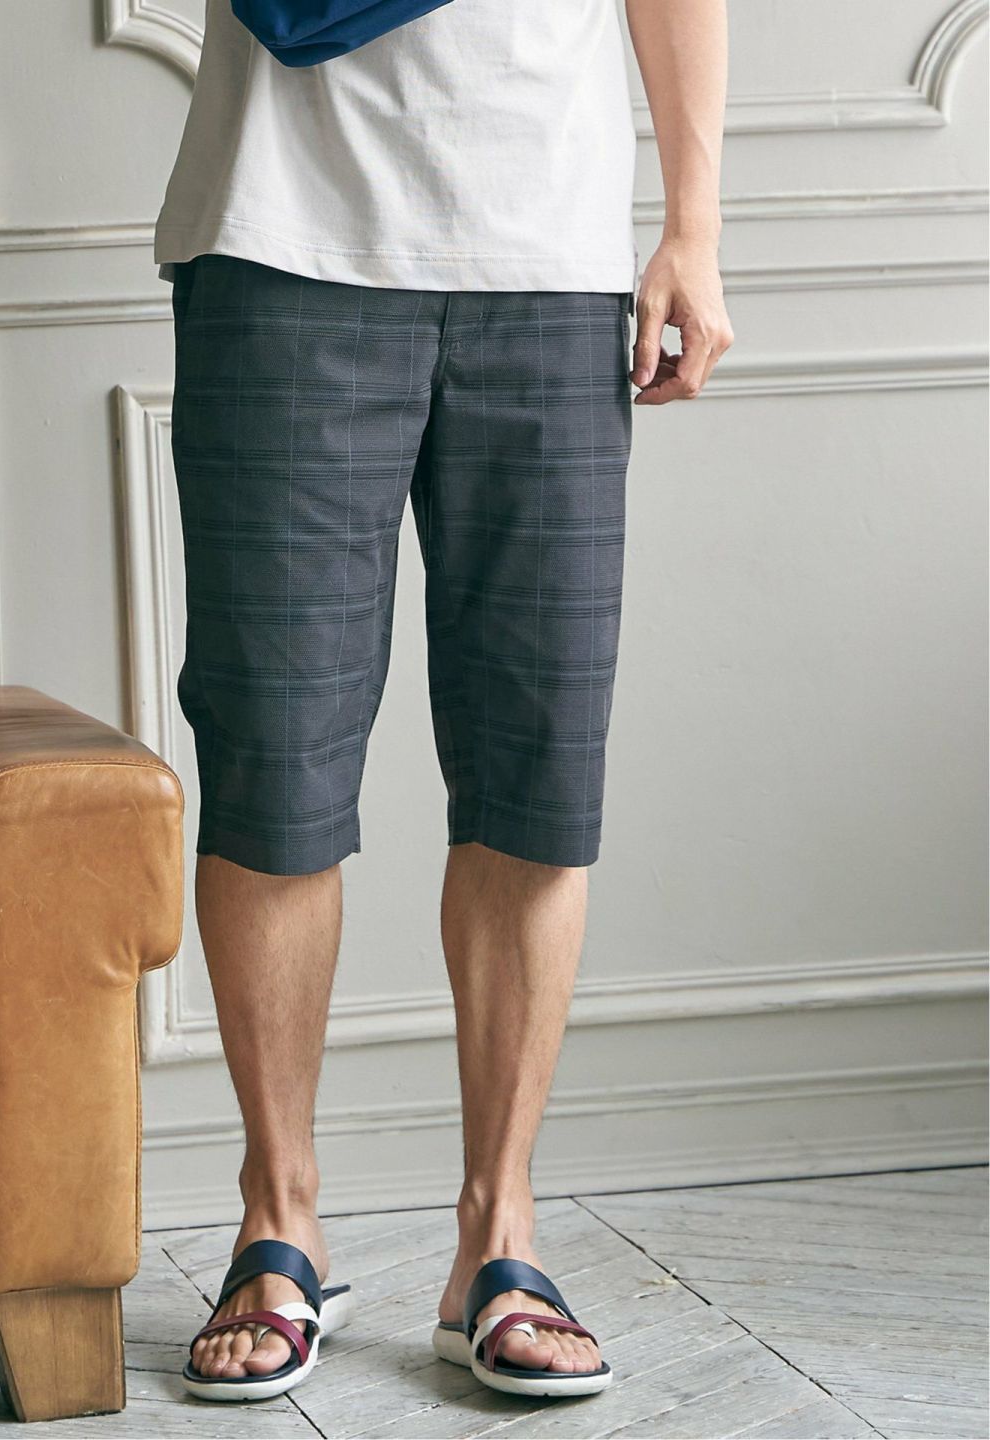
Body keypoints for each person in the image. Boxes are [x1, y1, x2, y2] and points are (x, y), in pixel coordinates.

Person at [154, 0, 732, 1403]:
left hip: (552, 263)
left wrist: (694, 228)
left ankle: (498, 1239)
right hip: (281, 246)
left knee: (539, 776)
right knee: (275, 768)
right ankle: (279, 1222)